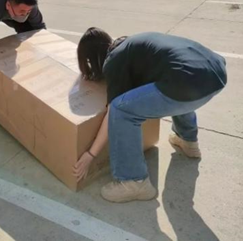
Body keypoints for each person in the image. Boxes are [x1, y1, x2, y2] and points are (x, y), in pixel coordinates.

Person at [73, 29, 227, 203]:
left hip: (187, 81)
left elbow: (112, 113)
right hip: (216, 73)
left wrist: (90, 154)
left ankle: (133, 181)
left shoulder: (114, 60)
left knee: (121, 110)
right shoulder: (133, 45)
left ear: (91, 58)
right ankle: (188, 141)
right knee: (176, 83)